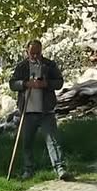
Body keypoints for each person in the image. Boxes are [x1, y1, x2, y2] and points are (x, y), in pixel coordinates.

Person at [9, 40, 70, 181]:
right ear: (27, 51)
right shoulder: (22, 66)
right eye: (32, 53)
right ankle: (28, 170)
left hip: (46, 111)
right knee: (27, 143)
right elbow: (12, 84)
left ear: (41, 51)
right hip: (27, 111)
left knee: (53, 141)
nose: (35, 56)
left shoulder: (49, 65)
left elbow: (59, 82)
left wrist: (46, 84)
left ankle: (60, 169)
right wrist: (25, 84)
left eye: (38, 53)